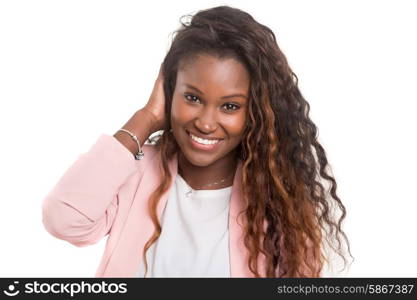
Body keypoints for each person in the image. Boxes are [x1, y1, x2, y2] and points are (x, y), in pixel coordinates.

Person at [42, 5, 351, 278]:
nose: (205, 122)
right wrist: (147, 117)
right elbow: (64, 220)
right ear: (168, 90)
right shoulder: (133, 172)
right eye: (192, 97)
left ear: (254, 111)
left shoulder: (277, 199)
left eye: (230, 106)